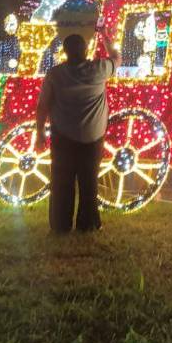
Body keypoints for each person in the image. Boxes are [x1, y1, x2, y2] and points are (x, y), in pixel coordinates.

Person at [36, 31, 122, 233]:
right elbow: (117, 58)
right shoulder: (99, 69)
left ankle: (60, 225)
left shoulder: (55, 74)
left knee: (61, 183)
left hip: (63, 136)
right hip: (93, 137)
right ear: (85, 49)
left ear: (65, 52)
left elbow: (43, 105)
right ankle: (88, 224)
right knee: (89, 181)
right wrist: (106, 38)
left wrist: (40, 133)